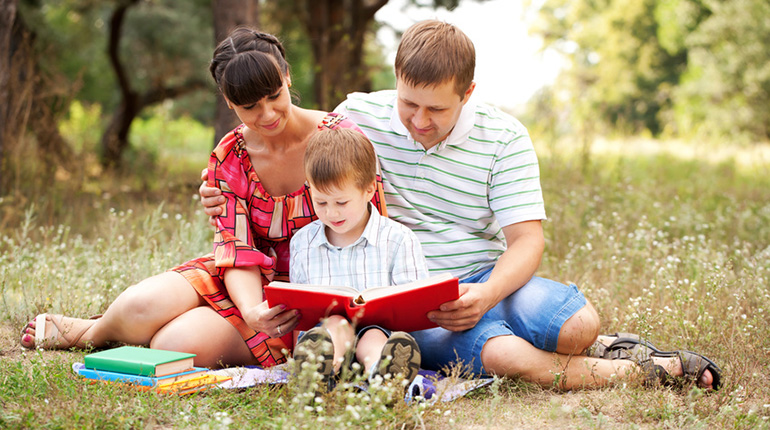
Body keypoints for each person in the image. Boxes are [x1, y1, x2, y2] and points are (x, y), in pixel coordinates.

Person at [200, 20, 721, 390]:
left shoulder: (505, 137)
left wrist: (487, 292)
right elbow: (305, 156)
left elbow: (527, 240)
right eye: (408, 103)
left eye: (436, 109)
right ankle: (642, 371)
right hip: (408, 294)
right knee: (508, 356)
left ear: (468, 93)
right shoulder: (359, 117)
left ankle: (600, 343)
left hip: (483, 275)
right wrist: (215, 187)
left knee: (577, 326)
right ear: (395, 81)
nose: (418, 121)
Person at [19, 27, 387, 369]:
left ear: (287, 76)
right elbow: (237, 249)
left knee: (174, 342)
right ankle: (90, 333)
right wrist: (252, 309)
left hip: (310, 293)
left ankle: (140, 333)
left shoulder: (339, 141)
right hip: (243, 280)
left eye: (274, 96)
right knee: (140, 304)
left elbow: (373, 229)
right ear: (229, 101)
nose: (268, 113)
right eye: (250, 107)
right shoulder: (230, 156)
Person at [289, 127, 426, 386]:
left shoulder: (398, 239)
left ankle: (383, 375)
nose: (331, 213)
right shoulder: (303, 243)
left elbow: (414, 309)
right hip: (331, 340)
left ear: (368, 190)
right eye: (321, 202)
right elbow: (301, 311)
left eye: (341, 203)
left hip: (382, 336)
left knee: (374, 335)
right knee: (336, 323)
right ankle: (317, 371)